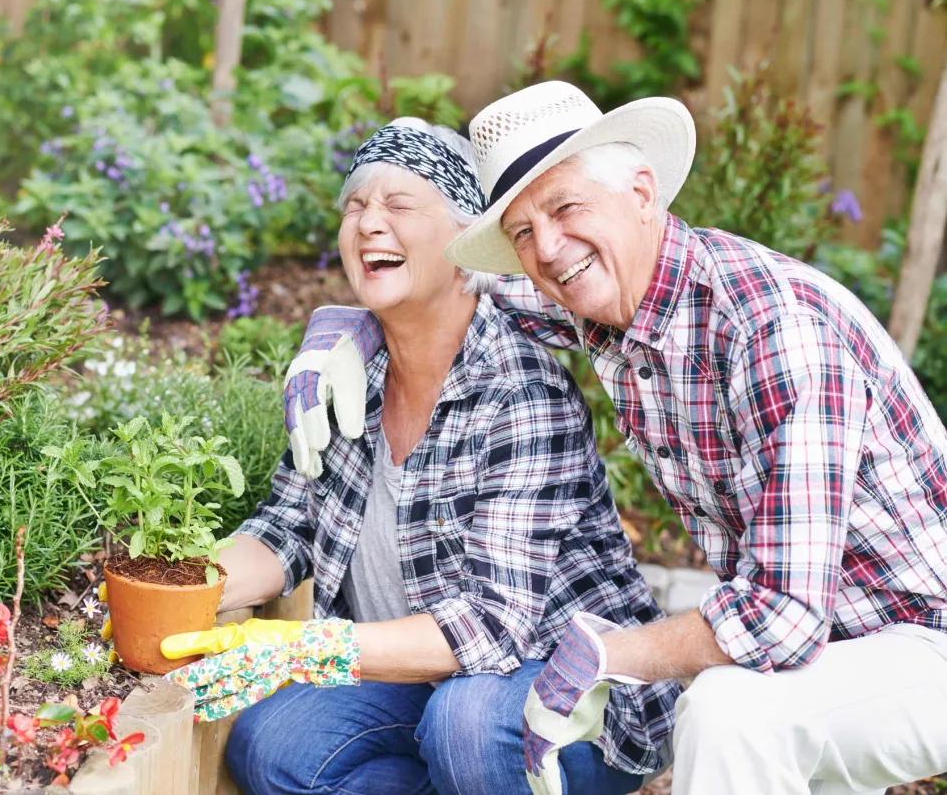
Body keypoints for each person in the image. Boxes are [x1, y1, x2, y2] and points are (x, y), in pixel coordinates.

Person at [279, 83, 947, 795]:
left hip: (917, 640)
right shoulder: (611, 306)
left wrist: (608, 651)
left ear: (641, 191)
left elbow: (781, 616)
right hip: (829, 649)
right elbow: (455, 290)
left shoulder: (772, 331)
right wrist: (346, 320)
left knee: (729, 715)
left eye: (565, 208)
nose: (549, 249)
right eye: (524, 232)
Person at [162, 117, 679, 795]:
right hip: (423, 680)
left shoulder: (517, 388)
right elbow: (286, 528)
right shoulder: (349, 376)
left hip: (556, 687)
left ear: (466, 242)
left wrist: (307, 647)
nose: (369, 223)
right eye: (355, 206)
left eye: (400, 205)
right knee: (275, 743)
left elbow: (493, 628)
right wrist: (178, 587)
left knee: (463, 725)